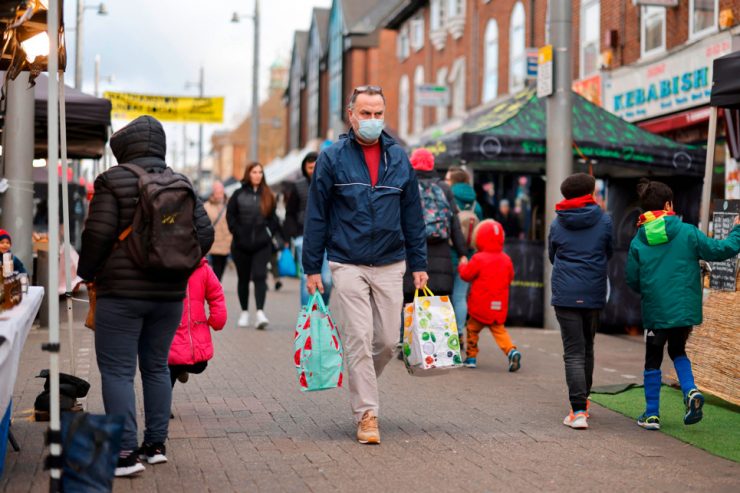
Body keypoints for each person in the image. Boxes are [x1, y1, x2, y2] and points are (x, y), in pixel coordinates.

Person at [78, 115, 214, 476]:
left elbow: (96, 235)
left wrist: (87, 273)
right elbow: (206, 233)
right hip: (170, 295)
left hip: (121, 295)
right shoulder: (180, 182)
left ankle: (124, 454)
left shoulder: (113, 180)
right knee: (156, 367)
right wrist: (182, 266)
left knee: (118, 371)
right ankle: (155, 446)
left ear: (124, 148)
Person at [303, 85, 428, 445]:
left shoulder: (399, 158)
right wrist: (312, 267)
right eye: (366, 113)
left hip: (391, 260)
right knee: (358, 336)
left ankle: (360, 379)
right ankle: (367, 414)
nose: (372, 120)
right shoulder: (332, 158)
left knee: (388, 341)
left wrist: (419, 262)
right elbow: (317, 215)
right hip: (347, 260)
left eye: (378, 114)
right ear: (352, 115)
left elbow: (413, 216)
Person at [626, 179, 740, 431]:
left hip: (656, 311)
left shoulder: (638, 240)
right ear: (668, 205)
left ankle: (652, 415)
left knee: (653, 358)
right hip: (684, 309)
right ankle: (690, 392)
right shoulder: (687, 232)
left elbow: (632, 280)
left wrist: (651, 290)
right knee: (678, 350)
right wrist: (737, 230)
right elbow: (721, 250)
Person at [548, 173, 613, 430]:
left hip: (565, 293)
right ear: (590, 193)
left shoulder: (557, 223)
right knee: (587, 348)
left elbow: (552, 255)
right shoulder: (605, 220)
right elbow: (609, 251)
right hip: (594, 291)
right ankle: (582, 405)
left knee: (573, 352)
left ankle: (577, 412)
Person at [402, 149, 467, 303]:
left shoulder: (406, 184)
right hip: (441, 254)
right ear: (431, 164)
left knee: (409, 303)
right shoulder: (444, 187)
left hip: (411, 252)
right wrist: (462, 252)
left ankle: (405, 328)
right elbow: (454, 223)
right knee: (437, 304)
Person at [458, 220, 521, 371]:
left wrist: (462, 264)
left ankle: (471, 357)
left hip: (480, 306)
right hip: (498, 305)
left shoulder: (478, 258)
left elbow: (466, 275)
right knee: (500, 331)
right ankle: (511, 351)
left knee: (472, 329)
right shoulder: (506, 259)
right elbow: (510, 277)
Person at [227, 162, 282, 330]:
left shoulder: (268, 195)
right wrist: (237, 233)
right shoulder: (238, 194)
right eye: (254, 172)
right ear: (248, 174)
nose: (257, 175)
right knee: (243, 279)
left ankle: (260, 313)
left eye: (260, 172)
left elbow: (274, 220)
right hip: (240, 245)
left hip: (261, 245)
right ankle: (244, 312)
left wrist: (267, 234)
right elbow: (231, 216)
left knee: (260, 276)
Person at [168, 258, 227, 392]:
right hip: (170, 328)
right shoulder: (165, 266)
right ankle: (162, 408)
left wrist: (218, 319)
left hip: (194, 330)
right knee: (169, 369)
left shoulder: (203, 269)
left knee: (199, 365)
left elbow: (216, 294)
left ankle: (181, 369)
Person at [283, 152, 332, 306]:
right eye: (310, 167)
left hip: (327, 238)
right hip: (303, 237)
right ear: (304, 168)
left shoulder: (330, 185)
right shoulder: (298, 186)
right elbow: (290, 212)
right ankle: (307, 314)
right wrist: (293, 235)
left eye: (315, 166)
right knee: (307, 278)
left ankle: (322, 308)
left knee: (327, 280)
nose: (313, 170)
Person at [445, 167, 483, 340]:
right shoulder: (476, 204)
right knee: (460, 297)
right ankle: (459, 332)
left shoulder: (447, 198)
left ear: (452, 181)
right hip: (468, 256)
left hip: (447, 253)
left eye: (447, 179)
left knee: (444, 296)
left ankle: (446, 334)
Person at [203, 181, 232, 281]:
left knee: (222, 264)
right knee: (216, 265)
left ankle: (217, 282)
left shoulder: (229, 205)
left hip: (226, 241)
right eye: (217, 192)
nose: (219, 194)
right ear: (213, 192)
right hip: (214, 242)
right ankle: (216, 283)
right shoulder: (206, 206)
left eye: (221, 192)